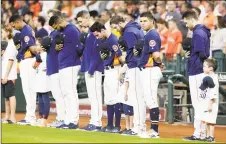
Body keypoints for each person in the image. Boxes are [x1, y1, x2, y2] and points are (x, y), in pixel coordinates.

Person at [110, 15, 145, 136]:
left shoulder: (129, 32)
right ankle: (138, 126)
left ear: (120, 22)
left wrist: (129, 65)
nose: (116, 30)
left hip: (135, 66)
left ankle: (137, 127)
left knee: (136, 98)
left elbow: (135, 51)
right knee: (137, 98)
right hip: (137, 66)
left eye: (116, 27)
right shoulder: (135, 28)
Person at [49, 15, 82, 129]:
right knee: (66, 93)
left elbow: (79, 47)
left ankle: (73, 120)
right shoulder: (63, 31)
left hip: (71, 64)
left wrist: (74, 58)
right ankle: (68, 120)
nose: (55, 29)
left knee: (71, 92)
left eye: (55, 26)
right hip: (63, 65)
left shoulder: (71, 29)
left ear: (59, 21)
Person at [182, 10, 211, 141]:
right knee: (201, 103)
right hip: (200, 70)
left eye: (186, 22)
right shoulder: (202, 31)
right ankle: (202, 133)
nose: (186, 25)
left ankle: (199, 134)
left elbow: (202, 54)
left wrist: (195, 61)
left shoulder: (198, 33)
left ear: (192, 19)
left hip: (197, 71)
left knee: (198, 104)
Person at [90, 21, 123, 133]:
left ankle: (117, 126)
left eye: (97, 34)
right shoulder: (104, 40)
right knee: (108, 98)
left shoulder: (113, 39)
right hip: (107, 70)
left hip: (115, 70)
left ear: (103, 30)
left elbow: (121, 56)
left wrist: (122, 72)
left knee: (116, 98)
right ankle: (109, 125)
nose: (97, 37)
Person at [9, 14, 42, 125]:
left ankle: (31, 117)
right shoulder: (26, 29)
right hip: (27, 61)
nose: (14, 27)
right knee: (28, 91)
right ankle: (29, 116)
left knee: (29, 90)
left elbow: (32, 48)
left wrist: (38, 52)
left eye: (14, 25)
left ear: (18, 22)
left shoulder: (25, 31)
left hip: (28, 61)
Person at [134, 12, 163, 138]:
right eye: (141, 21)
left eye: (145, 21)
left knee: (151, 100)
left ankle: (154, 131)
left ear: (152, 21)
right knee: (148, 99)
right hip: (147, 69)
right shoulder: (149, 34)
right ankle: (152, 130)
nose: (142, 23)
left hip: (150, 70)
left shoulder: (152, 34)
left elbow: (156, 55)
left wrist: (160, 63)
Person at [76, 10, 104, 131]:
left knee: (96, 96)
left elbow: (97, 52)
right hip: (89, 67)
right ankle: (94, 121)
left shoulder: (96, 30)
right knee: (93, 96)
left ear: (86, 17)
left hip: (94, 68)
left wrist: (91, 69)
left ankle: (97, 122)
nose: (81, 24)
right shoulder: (90, 31)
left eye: (81, 21)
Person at [46, 9, 66, 128]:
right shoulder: (53, 33)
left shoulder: (60, 33)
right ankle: (61, 118)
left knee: (60, 95)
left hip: (57, 67)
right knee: (57, 94)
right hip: (52, 66)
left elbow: (60, 49)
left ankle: (62, 118)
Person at [199, 58, 219, 142]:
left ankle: (211, 136)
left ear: (211, 68)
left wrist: (210, 104)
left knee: (211, 121)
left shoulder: (213, 78)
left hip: (212, 103)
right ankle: (207, 136)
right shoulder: (206, 77)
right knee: (206, 120)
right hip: (206, 102)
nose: (203, 68)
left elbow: (213, 93)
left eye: (204, 66)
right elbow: (203, 89)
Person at [1, 25, 18, 124]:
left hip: (9, 75)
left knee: (11, 95)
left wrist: (6, 76)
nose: (2, 34)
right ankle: (7, 116)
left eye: (3, 32)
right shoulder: (6, 44)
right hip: (4, 75)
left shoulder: (11, 45)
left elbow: (11, 61)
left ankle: (12, 117)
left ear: (8, 32)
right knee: (6, 96)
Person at [33, 46, 50, 127]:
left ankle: (45, 118)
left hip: (44, 77)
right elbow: (34, 66)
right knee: (40, 98)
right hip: (38, 77)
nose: (36, 46)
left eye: (38, 44)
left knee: (44, 97)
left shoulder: (46, 54)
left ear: (42, 46)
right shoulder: (39, 55)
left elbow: (45, 67)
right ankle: (40, 117)